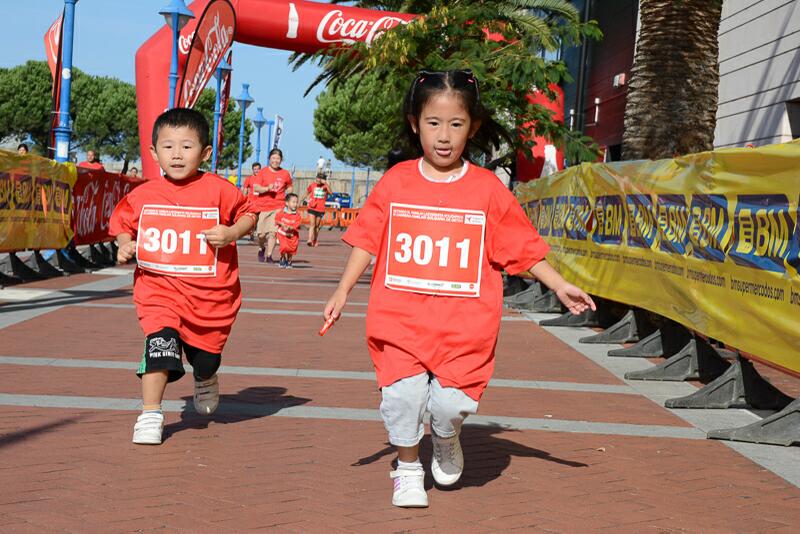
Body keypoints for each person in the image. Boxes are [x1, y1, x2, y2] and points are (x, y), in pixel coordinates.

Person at [322, 70, 595, 508]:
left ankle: (446, 436)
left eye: (456, 124)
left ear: (473, 127)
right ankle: (408, 468)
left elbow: (520, 246)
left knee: (448, 406)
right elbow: (368, 238)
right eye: (433, 123)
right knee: (403, 397)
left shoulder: (487, 189)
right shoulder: (396, 181)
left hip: (466, 328)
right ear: (415, 124)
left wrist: (560, 285)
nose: (444, 136)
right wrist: (343, 290)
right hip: (400, 320)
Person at [109, 108, 257, 445]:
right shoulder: (144, 194)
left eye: (187, 147)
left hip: (210, 299)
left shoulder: (219, 190)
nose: (177, 154)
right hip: (158, 292)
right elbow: (122, 224)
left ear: (204, 153)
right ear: (153, 152)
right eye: (168, 146)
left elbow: (249, 213)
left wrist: (231, 232)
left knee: (205, 357)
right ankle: (150, 413)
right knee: (160, 345)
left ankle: (205, 377)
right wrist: (125, 244)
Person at [252, 148, 293, 263]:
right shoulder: (263, 172)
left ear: (281, 160)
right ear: (269, 159)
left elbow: (289, 186)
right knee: (261, 234)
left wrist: (289, 194)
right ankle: (262, 248)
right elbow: (256, 187)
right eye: (273, 158)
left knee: (273, 233)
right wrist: (267, 188)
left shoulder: (285, 173)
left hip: (278, 207)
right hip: (263, 206)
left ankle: (269, 255)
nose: (275, 160)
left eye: (278, 158)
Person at [303, 171, 332, 247]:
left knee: (316, 225)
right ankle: (309, 239)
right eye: (318, 178)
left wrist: (326, 184)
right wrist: (300, 200)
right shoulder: (312, 185)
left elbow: (331, 193)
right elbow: (306, 192)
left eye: (321, 178)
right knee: (312, 224)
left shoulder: (325, 186)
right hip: (312, 207)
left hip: (320, 208)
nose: (319, 180)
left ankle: (315, 239)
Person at [276, 193, 301, 268]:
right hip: (283, 234)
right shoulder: (282, 212)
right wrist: (282, 224)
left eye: (296, 202)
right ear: (287, 203)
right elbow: (277, 220)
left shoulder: (297, 215)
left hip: (293, 236)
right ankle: (283, 258)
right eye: (293, 202)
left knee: (291, 250)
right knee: (283, 247)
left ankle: (289, 260)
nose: (295, 204)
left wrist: (290, 227)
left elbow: (297, 224)